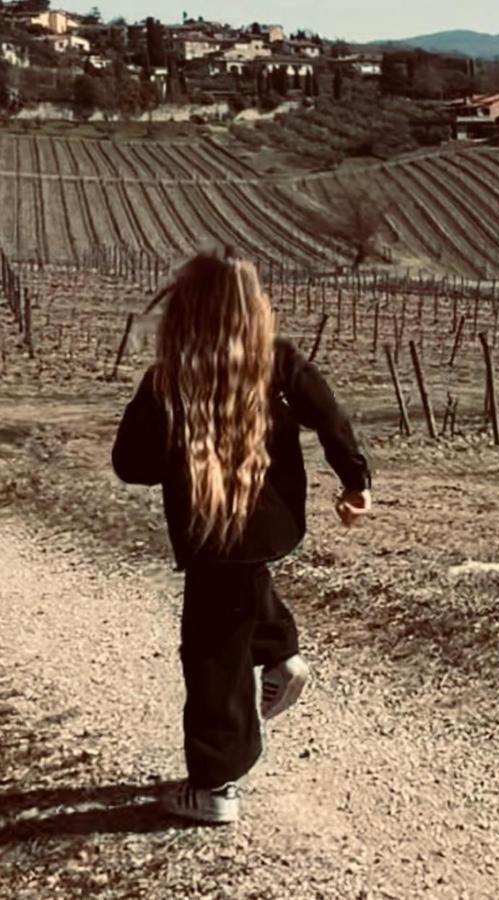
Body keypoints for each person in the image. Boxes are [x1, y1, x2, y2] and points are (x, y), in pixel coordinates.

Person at [111, 251, 372, 824]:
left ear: (186, 310)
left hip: (211, 535)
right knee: (243, 588)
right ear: (253, 308)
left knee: (212, 658)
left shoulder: (169, 377)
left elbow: (130, 465)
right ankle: (281, 654)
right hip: (272, 525)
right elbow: (333, 419)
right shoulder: (279, 362)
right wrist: (357, 483)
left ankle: (215, 786)